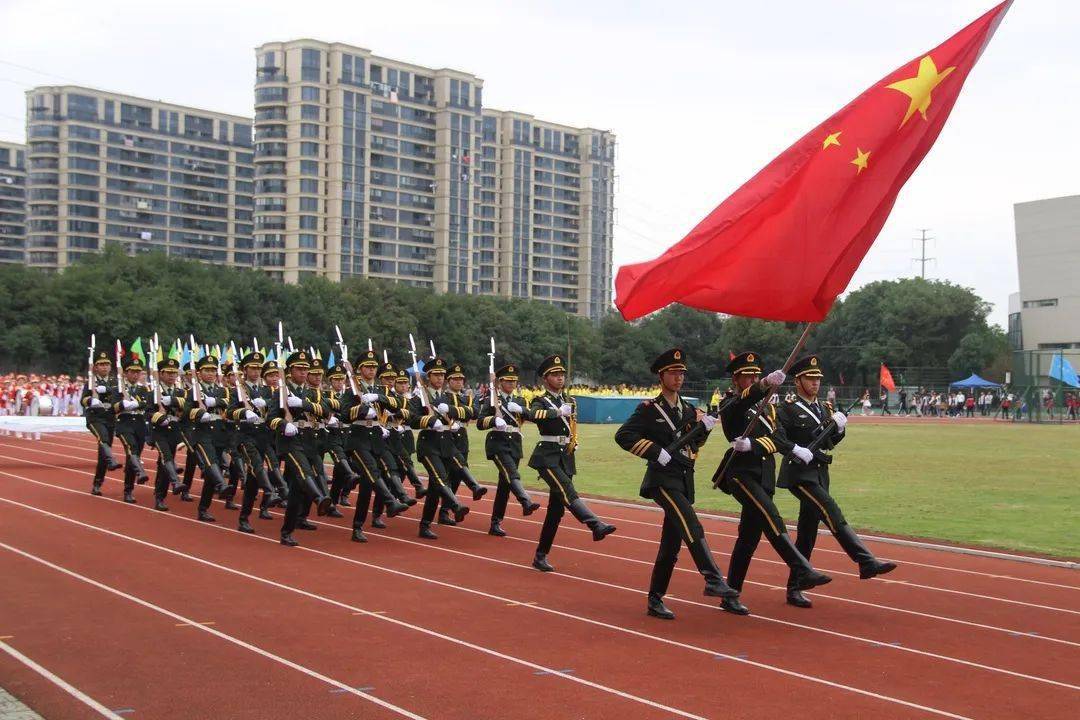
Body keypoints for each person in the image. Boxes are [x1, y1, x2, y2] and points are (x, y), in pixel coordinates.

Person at [615, 348, 738, 620]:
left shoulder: (691, 411)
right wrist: (654, 451)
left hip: (683, 478)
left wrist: (704, 429)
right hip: (661, 479)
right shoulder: (649, 410)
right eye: (673, 372)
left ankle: (655, 599)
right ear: (661, 376)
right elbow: (623, 435)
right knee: (692, 523)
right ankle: (712, 578)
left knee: (671, 544)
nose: (679, 377)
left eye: (682, 373)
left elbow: (694, 444)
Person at [711, 352, 832, 616]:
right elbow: (744, 402)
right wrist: (763, 384)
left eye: (756, 374)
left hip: (763, 474)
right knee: (770, 515)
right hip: (740, 475)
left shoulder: (767, 408)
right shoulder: (731, 403)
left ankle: (730, 595)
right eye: (748, 376)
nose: (753, 379)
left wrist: (754, 444)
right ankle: (801, 568)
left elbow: (778, 440)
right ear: (736, 379)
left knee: (749, 538)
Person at [776, 355, 897, 608]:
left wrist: (839, 430)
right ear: (798, 381)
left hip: (820, 472)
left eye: (818, 379)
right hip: (799, 474)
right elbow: (778, 437)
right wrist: (795, 449)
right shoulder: (787, 407)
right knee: (832, 511)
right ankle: (865, 561)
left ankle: (795, 587)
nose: (815, 383)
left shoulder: (824, 408)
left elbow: (829, 442)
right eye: (810, 379)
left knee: (808, 532)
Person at [528, 354, 616, 573]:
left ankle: (540, 556)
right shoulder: (541, 400)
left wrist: (573, 441)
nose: (560, 378)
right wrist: (556, 412)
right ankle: (594, 524)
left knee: (556, 511)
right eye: (555, 375)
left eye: (561, 375)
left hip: (565, 456)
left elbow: (572, 425)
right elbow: (534, 414)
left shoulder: (570, 400)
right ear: (545, 378)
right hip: (546, 456)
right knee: (568, 490)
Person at [268, 349, 333, 547]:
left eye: (306, 369)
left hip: (310, 440)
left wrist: (304, 404)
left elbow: (326, 412)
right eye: (299, 369)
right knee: (304, 472)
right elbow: (270, 418)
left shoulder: (312, 392)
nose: (304, 373)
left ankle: (286, 532)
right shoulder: (281, 391)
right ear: (290, 371)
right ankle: (319, 498)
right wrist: (282, 424)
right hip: (289, 442)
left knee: (297, 491)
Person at [406, 356, 471, 540]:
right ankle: (455, 504)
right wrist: (429, 420)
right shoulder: (419, 396)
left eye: (443, 374)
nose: (440, 378)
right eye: (436, 374)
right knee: (440, 478)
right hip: (428, 445)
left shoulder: (446, 396)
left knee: (436, 487)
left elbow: (461, 413)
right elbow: (411, 419)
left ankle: (425, 525)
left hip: (446, 444)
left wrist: (452, 418)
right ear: (429, 376)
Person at [476, 362, 541, 537]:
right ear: (500, 382)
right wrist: (493, 420)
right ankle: (525, 500)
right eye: (508, 381)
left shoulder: (520, 400)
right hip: (497, 443)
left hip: (514, 444)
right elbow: (480, 423)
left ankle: (495, 522)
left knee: (505, 484)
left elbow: (533, 417)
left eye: (514, 381)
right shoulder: (493, 399)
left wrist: (521, 409)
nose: (512, 384)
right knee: (511, 474)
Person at [183, 352, 237, 522]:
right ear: (199, 373)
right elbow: (185, 412)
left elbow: (228, 404)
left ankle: (203, 508)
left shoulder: (223, 390)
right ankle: (222, 485)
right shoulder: (194, 391)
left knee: (211, 474)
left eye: (213, 370)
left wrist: (213, 402)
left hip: (219, 433)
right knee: (210, 464)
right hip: (201, 433)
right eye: (207, 370)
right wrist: (199, 413)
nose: (211, 373)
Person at [80, 348, 123, 494]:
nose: (104, 367)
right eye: (101, 364)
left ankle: (97, 483)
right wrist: (91, 400)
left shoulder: (114, 382)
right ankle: (112, 461)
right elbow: (83, 400)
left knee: (103, 453)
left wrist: (108, 390)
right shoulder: (91, 382)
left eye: (106, 364)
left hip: (109, 418)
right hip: (95, 418)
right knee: (103, 438)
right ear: (96, 367)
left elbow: (119, 395)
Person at [148, 356, 186, 511]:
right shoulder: (153, 392)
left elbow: (187, 405)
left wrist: (173, 401)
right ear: (161, 374)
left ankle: (160, 495)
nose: (172, 376)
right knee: (166, 457)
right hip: (159, 431)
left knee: (164, 464)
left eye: (174, 373)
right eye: (168, 373)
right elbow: (148, 413)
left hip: (174, 432)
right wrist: (159, 418)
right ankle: (175, 482)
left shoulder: (180, 392)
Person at [113, 356, 152, 503]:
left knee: (133, 456)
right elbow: (113, 407)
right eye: (132, 372)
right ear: (126, 373)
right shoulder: (118, 388)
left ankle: (129, 486)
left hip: (140, 425)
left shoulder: (144, 389)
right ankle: (131, 486)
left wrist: (137, 404)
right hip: (124, 424)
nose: (135, 375)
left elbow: (148, 404)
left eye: (138, 372)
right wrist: (123, 404)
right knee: (131, 448)